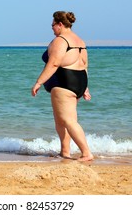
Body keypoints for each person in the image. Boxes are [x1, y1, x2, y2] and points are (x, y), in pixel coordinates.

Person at [31, 11, 93, 162]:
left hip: (64, 84)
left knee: (68, 120)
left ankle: (86, 153)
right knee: (61, 120)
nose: (52, 28)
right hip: (78, 81)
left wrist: (39, 82)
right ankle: (65, 152)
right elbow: (84, 65)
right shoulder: (80, 41)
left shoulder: (61, 40)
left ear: (60, 24)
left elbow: (54, 63)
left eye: (53, 25)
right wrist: (85, 87)